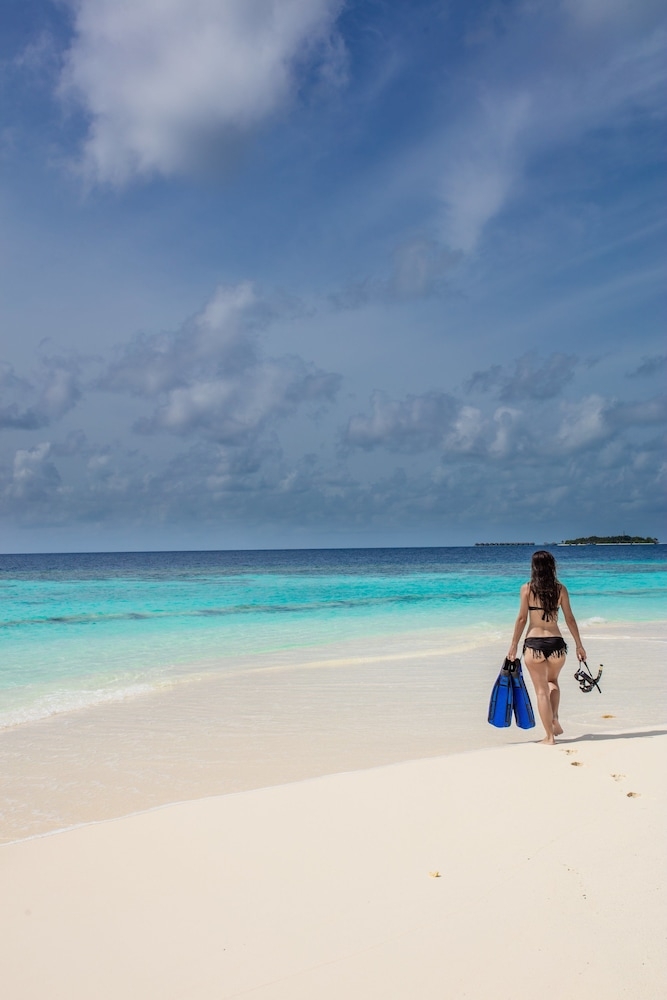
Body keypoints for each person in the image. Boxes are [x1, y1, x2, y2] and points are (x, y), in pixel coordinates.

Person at [507, 550, 587, 744]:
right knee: (553, 683)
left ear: (534, 567)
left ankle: (549, 737)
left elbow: (522, 618)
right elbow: (569, 618)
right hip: (556, 644)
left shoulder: (527, 589)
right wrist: (579, 645)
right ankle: (555, 718)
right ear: (552, 567)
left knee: (541, 691)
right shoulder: (560, 589)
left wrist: (513, 646)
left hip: (534, 645)